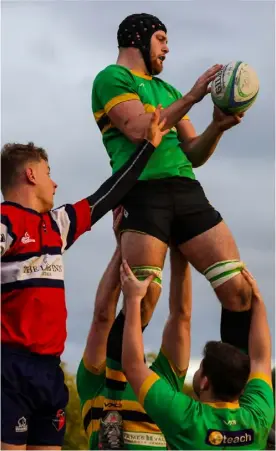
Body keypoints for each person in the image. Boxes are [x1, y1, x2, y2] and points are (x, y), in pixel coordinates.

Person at [0, 108, 167, 450]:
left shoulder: (57, 225)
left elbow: (108, 194)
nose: (55, 181)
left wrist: (148, 146)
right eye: (49, 173)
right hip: (9, 367)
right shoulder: (6, 221)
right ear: (31, 175)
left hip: (50, 370)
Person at [92, 13, 251, 367]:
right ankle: (113, 401)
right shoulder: (112, 78)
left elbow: (193, 153)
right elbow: (138, 130)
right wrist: (194, 97)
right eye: (161, 39)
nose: (167, 47)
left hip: (186, 189)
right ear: (138, 39)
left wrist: (217, 126)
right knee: (143, 298)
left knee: (239, 290)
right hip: (142, 191)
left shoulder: (169, 92)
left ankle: (232, 397)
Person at [121, 261, 274, 450]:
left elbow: (133, 366)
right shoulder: (257, 418)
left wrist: (133, 299)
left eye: (200, 367)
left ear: (205, 382)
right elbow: (261, 359)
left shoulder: (186, 418)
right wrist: (257, 300)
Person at [77, 214, 192, 450]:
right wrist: (122, 246)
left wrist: (181, 249)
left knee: (145, 300)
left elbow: (181, 318)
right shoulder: (95, 382)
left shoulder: (162, 383)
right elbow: (102, 318)